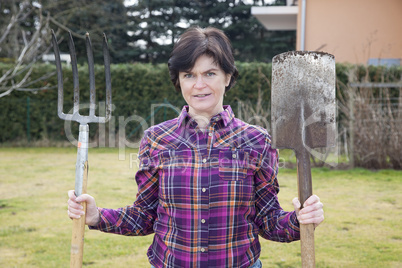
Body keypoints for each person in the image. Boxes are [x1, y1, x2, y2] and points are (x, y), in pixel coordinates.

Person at [67, 26, 324, 268]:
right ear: (179, 81)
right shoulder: (157, 139)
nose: (199, 85)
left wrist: (299, 221)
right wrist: (97, 216)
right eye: (189, 75)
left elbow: (268, 221)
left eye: (209, 73)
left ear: (228, 76)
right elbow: (145, 215)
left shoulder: (257, 141)